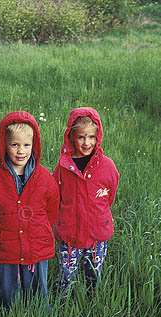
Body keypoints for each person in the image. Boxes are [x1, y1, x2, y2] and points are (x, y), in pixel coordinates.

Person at [0, 111, 59, 309]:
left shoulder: (45, 178)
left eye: (26, 145)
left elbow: (52, 210)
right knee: (7, 294)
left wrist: (40, 229)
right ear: (4, 145)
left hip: (37, 246)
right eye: (14, 145)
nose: (21, 151)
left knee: (38, 293)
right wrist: (0, 232)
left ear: (34, 146)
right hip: (6, 247)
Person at [53, 107, 119, 296]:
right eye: (81, 137)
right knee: (66, 274)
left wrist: (99, 213)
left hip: (97, 232)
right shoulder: (63, 167)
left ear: (98, 136)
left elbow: (109, 195)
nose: (86, 142)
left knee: (93, 273)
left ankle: (92, 301)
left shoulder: (107, 166)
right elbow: (55, 196)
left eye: (91, 137)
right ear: (71, 137)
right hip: (70, 233)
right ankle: (62, 305)